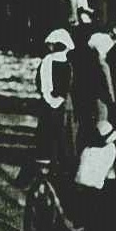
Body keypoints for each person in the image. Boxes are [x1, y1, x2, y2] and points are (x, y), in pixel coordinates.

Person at [33, 28, 77, 174]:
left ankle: (54, 159)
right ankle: (59, 161)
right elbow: (67, 84)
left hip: (55, 103)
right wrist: (56, 98)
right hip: (60, 104)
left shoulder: (50, 61)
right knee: (59, 132)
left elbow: (42, 82)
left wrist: (50, 97)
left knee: (54, 131)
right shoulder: (60, 62)